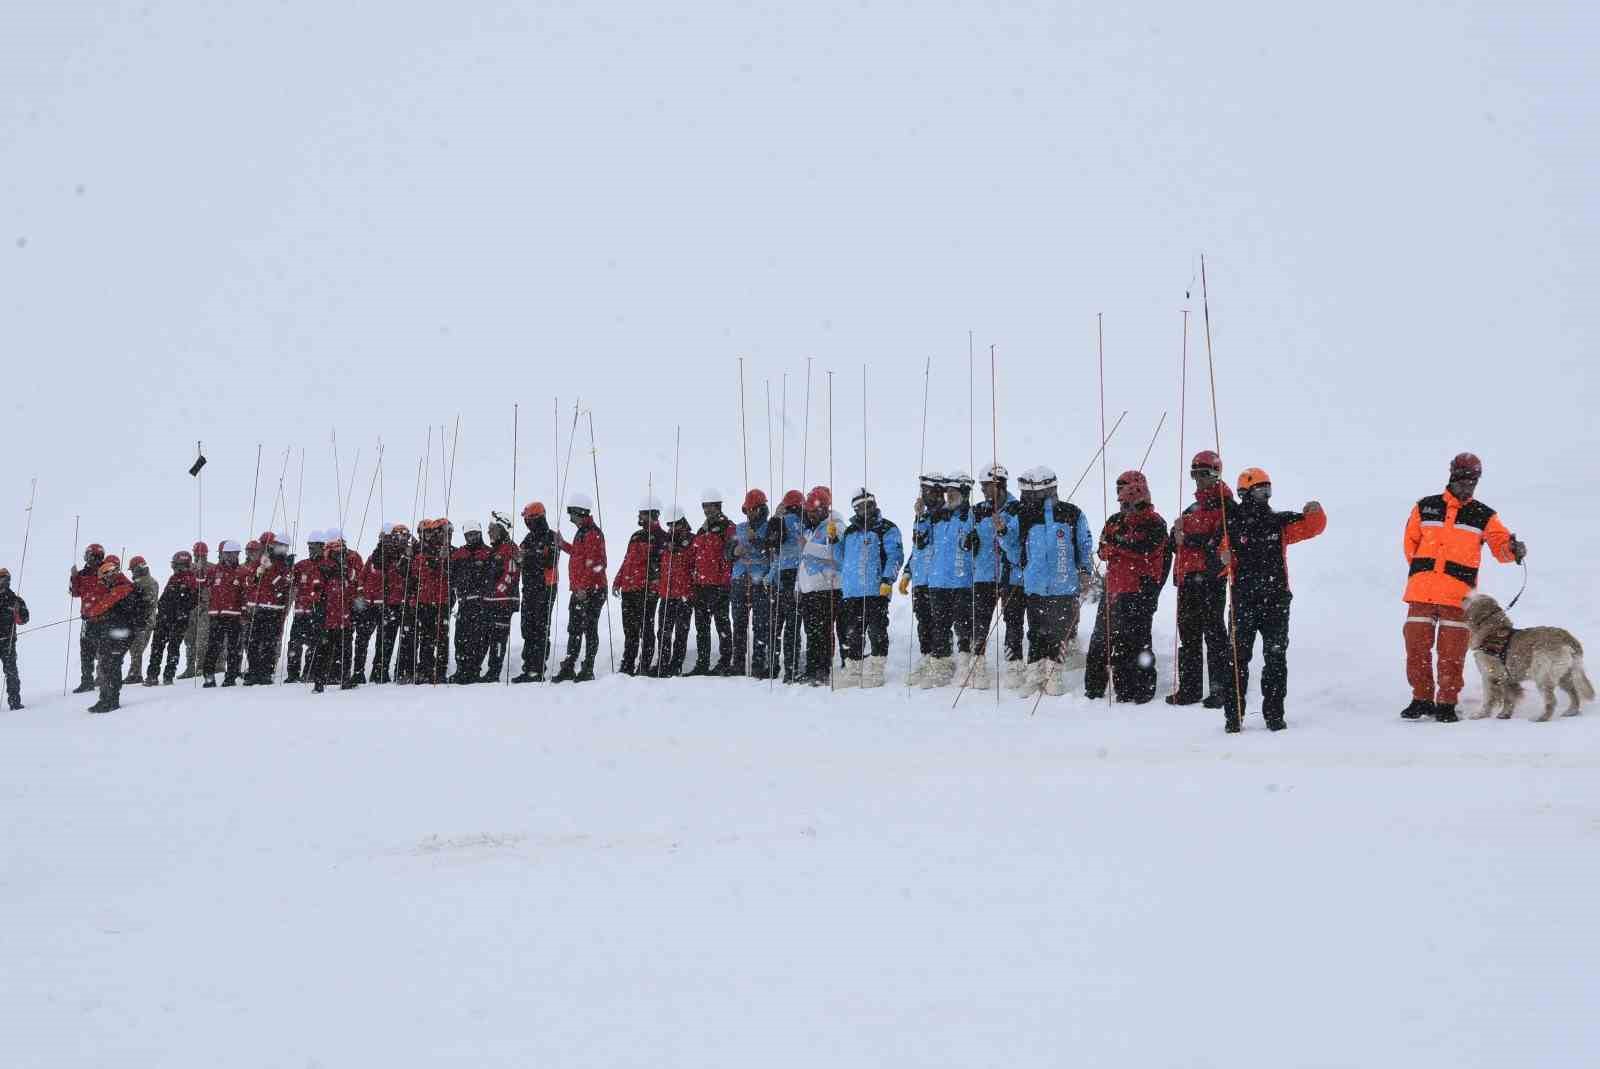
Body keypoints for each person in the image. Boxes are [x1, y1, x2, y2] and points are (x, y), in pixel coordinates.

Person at [1401, 452, 1524, 723]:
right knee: (1417, 648)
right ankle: (1421, 698)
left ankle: (1446, 703)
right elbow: (1410, 545)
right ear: (1452, 476)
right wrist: (1428, 573)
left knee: (1451, 652)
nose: (1468, 485)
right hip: (1421, 592)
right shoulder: (1425, 506)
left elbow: (1501, 548)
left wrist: (1513, 550)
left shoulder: (1484, 515)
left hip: (1459, 598)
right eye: (1464, 479)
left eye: (1473, 481)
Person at [1219, 467, 1327, 732]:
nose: (1265, 495)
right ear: (1245, 493)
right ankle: (1233, 717)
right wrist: (1223, 558)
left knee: (1275, 659)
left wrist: (1316, 511)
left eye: (1267, 489)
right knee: (1237, 659)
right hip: (1244, 600)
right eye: (1259, 489)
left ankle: (1274, 715)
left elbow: (1312, 527)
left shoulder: (1278, 522)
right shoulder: (1231, 525)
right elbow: (1221, 561)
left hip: (1276, 600)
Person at [1003, 467, 1093, 697]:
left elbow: (1084, 545)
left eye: (1030, 494)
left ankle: (1055, 674)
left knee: (1058, 633)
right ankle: (1035, 675)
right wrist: (1003, 533)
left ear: (1047, 491)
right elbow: (1014, 552)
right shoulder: (1022, 517)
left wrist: (1084, 571)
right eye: (1024, 493)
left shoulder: (1072, 514)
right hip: (1034, 586)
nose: (1025, 498)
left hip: (1064, 586)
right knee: (1036, 632)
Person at [1085, 471, 1170, 703]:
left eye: (1127, 500)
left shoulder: (1155, 522)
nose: (1125, 506)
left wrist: (1117, 547)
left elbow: (1145, 550)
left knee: (1138, 640)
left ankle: (1143, 689)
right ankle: (1107, 689)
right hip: (1113, 588)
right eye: (1121, 500)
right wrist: (1113, 548)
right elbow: (1102, 550)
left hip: (1140, 590)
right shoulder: (1114, 521)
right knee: (1105, 639)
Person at [1167, 451, 1234, 707]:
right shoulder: (1193, 508)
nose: (1198, 481)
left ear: (1216, 474)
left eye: (1203, 475)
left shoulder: (1226, 506)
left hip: (1210, 577)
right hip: (1188, 578)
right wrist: (1176, 535)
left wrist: (1188, 539)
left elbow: (1218, 542)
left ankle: (1220, 690)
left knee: (1214, 634)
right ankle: (1189, 689)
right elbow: (1176, 541)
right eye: (1195, 475)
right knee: (1189, 635)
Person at [832, 488, 905, 689]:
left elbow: (895, 556)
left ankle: (876, 668)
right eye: (859, 507)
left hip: (876, 590)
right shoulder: (849, 532)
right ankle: (854, 669)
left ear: (874, 504)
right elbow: (842, 560)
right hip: (852, 591)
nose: (864, 509)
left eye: (868, 504)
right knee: (853, 633)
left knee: (877, 631)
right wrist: (834, 542)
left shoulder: (886, 528)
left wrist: (887, 580)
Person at [969, 463, 1023, 691]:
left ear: (999, 485)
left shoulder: (1017, 509)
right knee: (979, 622)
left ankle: (1014, 665)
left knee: (1013, 622)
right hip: (983, 575)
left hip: (1010, 575)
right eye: (981, 488)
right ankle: (977, 665)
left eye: (986, 487)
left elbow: (1018, 541)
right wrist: (967, 542)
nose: (983, 492)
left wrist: (1003, 532)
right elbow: (965, 540)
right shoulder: (978, 510)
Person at [922, 471, 977, 688]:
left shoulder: (972, 516)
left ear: (964, 493)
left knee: (964, 625)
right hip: (937, 581)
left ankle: (965, 664)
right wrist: (919, 517)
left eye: (954, 492)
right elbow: (920, 541)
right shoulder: (936, 516)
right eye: (948, 492)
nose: (949, 496)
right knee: (939, 626)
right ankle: (941, 666)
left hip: (962, 581)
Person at [553, 493, 606, 683]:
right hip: (580, 589)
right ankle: (569, 666)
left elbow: (596, 564)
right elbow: (579, 555)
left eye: (572, 514)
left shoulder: (592, 533)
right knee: (574, 628)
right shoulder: (583, 532)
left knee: (589, 628)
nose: (570, 518)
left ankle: (588, 667)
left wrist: (583, 587)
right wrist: (563, 544)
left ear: (580, 513)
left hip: (592, 590)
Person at [85, 558, 147, 713]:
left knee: (110, 663)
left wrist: (90, 613)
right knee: (110, 663)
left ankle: (110, 700)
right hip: (119, 630)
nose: (104, 583)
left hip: (122, 631)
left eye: (104, 579)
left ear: (109, 575)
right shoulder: (121, 586)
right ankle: (107, 698)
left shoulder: (122, 587)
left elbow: (105, 604)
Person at [613, 498, 666, 676]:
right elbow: (627, 560)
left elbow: (662, 565)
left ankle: (644, 664)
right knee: (630, 630)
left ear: (652, 515)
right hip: (629, 589)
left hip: (646, 590)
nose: (639, 517)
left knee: (646, 628)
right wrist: (618, 580)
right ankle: (627, 664)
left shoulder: (661, 537)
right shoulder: (635, 535)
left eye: (642, 514)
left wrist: (654, 584)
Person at [795, 487, 843, 686]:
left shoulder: (834, 526)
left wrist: (808, 546)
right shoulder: (811, 529)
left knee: (822, 632)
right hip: (809, 589)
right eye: (809, 511)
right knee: (812, 632)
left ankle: (823, 670)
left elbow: (835, 553)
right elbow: (803, 561)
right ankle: (812, 669)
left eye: (814, 511)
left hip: (826, 588)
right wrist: (798, 586)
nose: (811, 514)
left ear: (824, 509)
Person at [687, 491, 735, 677]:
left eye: (710, 506)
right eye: (704, 506)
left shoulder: (727, 527)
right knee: (702, 627)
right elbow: (696, 557)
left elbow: (729, 557)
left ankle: (724, 662)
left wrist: (724, 583)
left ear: (718, 506)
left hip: (719, 586)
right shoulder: (702, 529)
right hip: (701, 586)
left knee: (722, 625)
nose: (706, 510)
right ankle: (702, 663)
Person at [729, 489, 776, 677]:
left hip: (760, 581)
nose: (750, 513)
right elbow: (728, 552)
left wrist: (754, 541)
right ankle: (738, 663)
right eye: (747, 510)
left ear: (761, 508)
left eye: (753, 509)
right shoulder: (739, 528)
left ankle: (758, 663)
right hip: (740, 579)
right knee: (739, 623)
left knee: (760, 624)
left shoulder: (771, 527)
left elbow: (770, 549)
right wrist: (734, 551)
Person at [513, 504, 557, 683]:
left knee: (540, 629)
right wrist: (520, 558)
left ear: (537, 518)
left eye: (528, 519)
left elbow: (549, 560)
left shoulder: (551, 536)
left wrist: (528, 556)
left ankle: (537, 670)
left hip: (545, 588)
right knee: (528, 629)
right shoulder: (528, 538)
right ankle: (528, 667)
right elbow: (519, 559)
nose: (526, 522)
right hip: (529, 587)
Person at [144, 550, 199, 686]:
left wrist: (181, 613)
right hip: (165, 618)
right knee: (158, 647)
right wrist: (161, 610)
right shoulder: (174, 578)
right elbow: (165, 598)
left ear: (182, 564)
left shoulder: (191, 580)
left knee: (172, 648)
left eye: (176, 565)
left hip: (178, 620)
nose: (174, 567)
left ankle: (167, 676)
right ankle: (153, 675)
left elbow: (192, 601)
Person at [449, 521, 495, 683]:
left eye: (475, 534)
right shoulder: (459, 553)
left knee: (479, 638)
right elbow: (450, 575)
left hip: (481, 603)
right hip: (463, 602)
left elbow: (493, 576)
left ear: (480, 534)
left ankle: (474, 669)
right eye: (469, 535)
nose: (472, 537)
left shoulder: (488, 553)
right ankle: (462, 669)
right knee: (460, 637)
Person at [652, 507, 695, 676]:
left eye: (676, 525)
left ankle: (676, 664)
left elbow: (693, 562)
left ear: (683, 523)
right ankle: (662, 663)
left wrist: (679, 550)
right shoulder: (666, 541)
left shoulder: (691, 540)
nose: (672, 528)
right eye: (670, 525)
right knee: (663, 630)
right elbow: (657, 562)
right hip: (667, 593)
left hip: (684, 593)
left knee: (681, 632)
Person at [242, 541, 292, 684]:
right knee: (252, 642)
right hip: (257, 609)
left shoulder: (284, 566)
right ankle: (253, 671)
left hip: (273, 610)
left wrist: (269, 570)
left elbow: (282, 586)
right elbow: (248, 584)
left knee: (269, 642)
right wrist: (257, 574)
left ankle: (266, 672)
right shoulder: (257, 563)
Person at [769, 489, 805, 682]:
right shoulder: (804, 522)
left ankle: (772, 667)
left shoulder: (780, 521)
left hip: (781, 575)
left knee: (776, 625)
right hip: (798, 576)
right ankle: (791, 669)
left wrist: (776, 517)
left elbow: (773, 547)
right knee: (793, 625)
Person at [409, 520, 453, 684]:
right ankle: (426, 668)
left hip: (442, 601)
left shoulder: (450, 552)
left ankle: (440, 670)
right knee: (426, 637)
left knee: (442, 637)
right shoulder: (421, 553)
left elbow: (453, 575)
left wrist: (445, 560)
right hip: (425, 601)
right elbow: (413, 576)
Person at [480, 512, 520, 683]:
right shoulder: (494, 549)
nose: (489, 532)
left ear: (501, 529)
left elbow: (510, 575)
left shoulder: (509, 548)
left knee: (498, 638)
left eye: (492, 529)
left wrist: (496, 593)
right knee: (488, 636)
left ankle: (494, 672)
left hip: (503, 603)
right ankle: (487, 670)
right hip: (491, 602)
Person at [202, 541, 248, 687]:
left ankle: (230, 677)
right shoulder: (213, 571)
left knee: (234, 648)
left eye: (233, 553)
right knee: (213, 647)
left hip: (234, 616)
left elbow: (246, 593)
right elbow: (201, 585)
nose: (230, 556)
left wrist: (245, 612)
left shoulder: (242, 572)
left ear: (238, 555)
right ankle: (209, 677)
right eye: (227, 553)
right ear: (222, 554)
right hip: (216, 615)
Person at [285, 532, 326, 683]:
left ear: (322, 547)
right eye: (310, 547)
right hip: (300, 611)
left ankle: (309, 672)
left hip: (316, 611)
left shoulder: (326, 565)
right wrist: (287, 567)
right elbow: (288, 581)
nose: (311, 550)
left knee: (313, 643)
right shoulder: (302, 565)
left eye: (314, 547)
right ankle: (292, 673)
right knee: (294, 643)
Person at [69, 542, 107, 693]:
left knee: (104, 650)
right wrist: (73, 577)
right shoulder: (83, 574)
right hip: (88, 619)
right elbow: (75, 593)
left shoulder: (106, 571)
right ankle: (87, 681)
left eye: (90, 556)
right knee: (86, 650)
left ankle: (104, 679)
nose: (88, 559)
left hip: (104, 619)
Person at [122, 556, 160, 684]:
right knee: (136, 648)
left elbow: (147, 602)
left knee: (136, 648)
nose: (132, 572)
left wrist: (135, 602)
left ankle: (135, 674)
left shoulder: (146, 582)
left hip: (144, 621)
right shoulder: (146, 582)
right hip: (144, 620)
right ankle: (134, 673)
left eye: (133, 569)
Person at [178, 541, 212, 679]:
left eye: (202, 555)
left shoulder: (211, 569)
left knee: (202, 639)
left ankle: (201, 667)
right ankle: (190, 667)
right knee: (189, 639)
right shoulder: (188, 569)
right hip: (190, 609)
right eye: (197, 555)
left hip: (205, 608)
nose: (199, 558)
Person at [0, 567, 29, 709]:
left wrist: (18, 611)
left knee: (11, 672)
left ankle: (14, 702)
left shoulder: (15, 600)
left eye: (2, 579)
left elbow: (24, 620)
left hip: (7, 641)